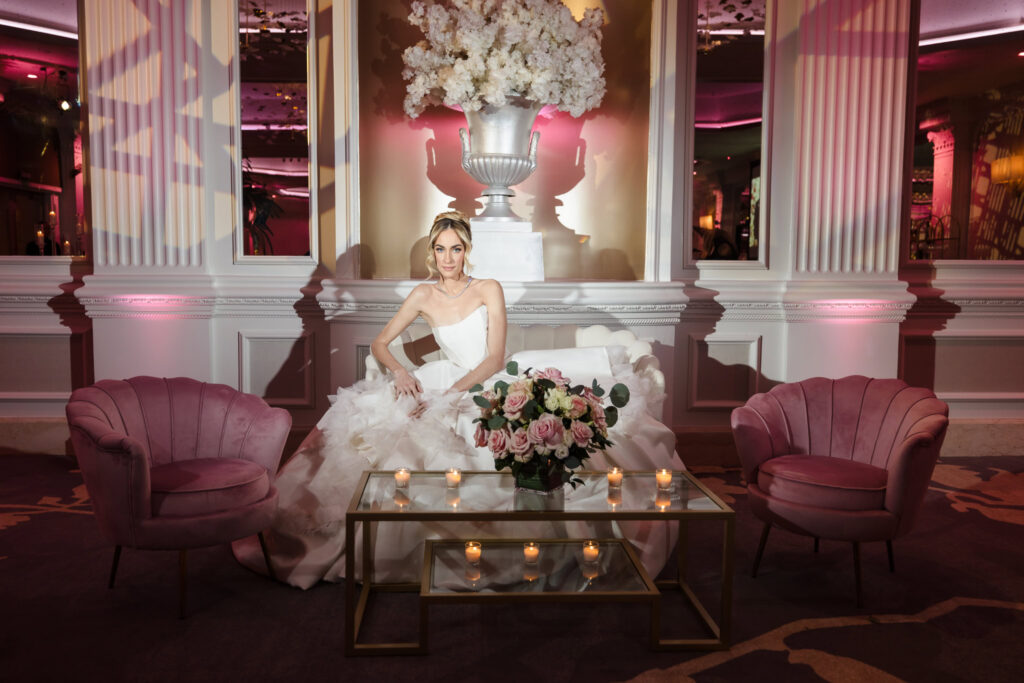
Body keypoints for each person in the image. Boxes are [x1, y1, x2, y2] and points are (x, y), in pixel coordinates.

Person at [234, 210, 682, 588]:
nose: (449, 258)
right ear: (432, 253)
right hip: (440, 377)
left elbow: (491, 359)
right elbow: (379, 345)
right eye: (441, 249)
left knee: (551, 428)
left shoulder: (488, 288)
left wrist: (449, 394)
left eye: (457, 248)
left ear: (467, 251)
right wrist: (402, 372)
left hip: (493, 375)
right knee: (390, 437)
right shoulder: (423, 294)